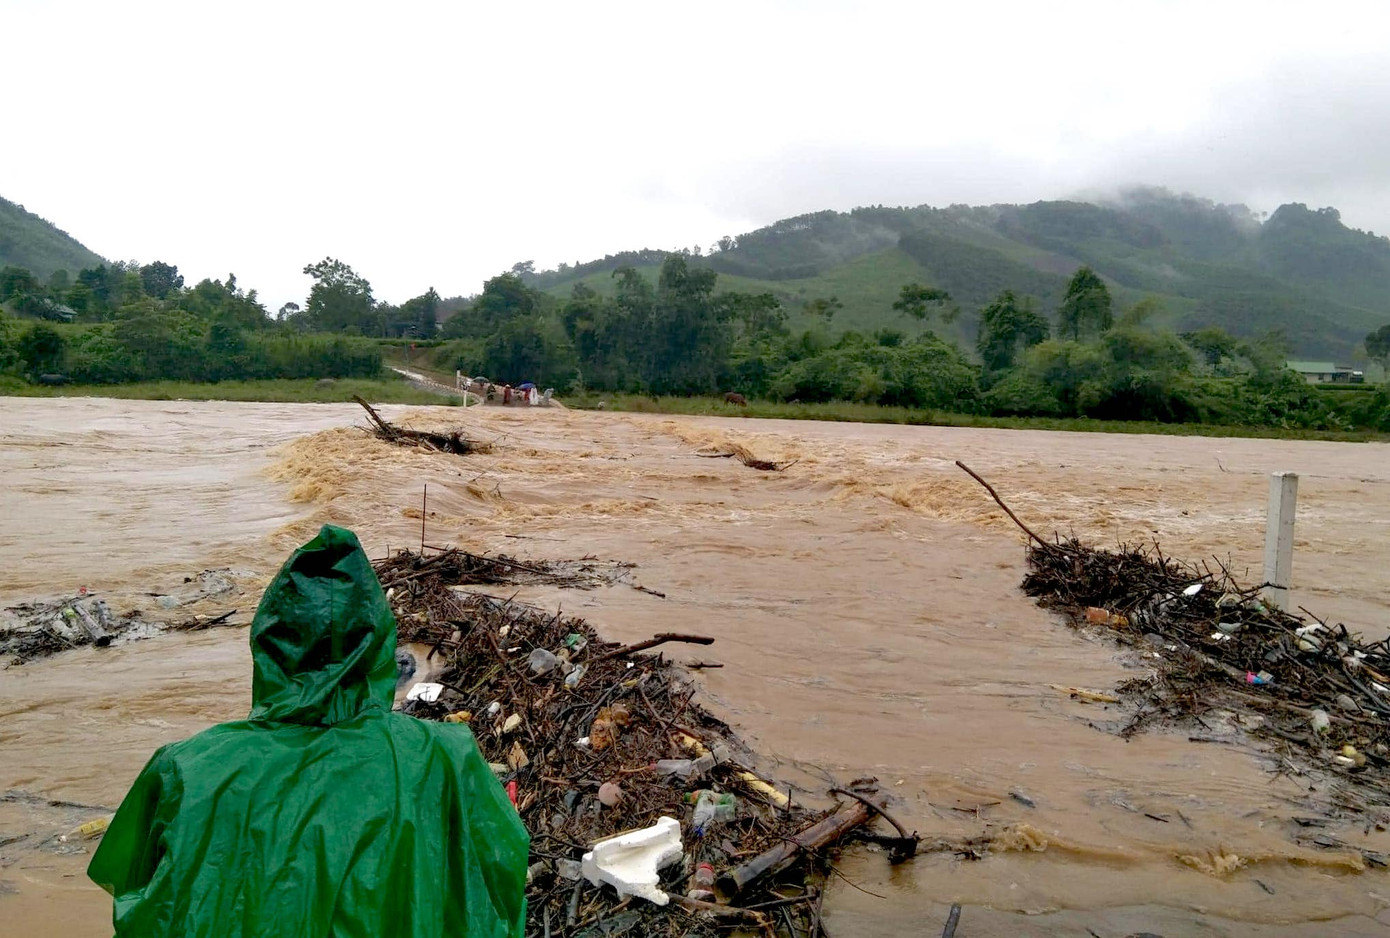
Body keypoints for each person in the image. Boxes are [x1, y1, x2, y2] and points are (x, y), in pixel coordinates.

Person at [88, 525, 528, 937]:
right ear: (377, 648)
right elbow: (500, 878)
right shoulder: (445, 757)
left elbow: (135, 894)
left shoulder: (185, 766)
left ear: (269, 644)